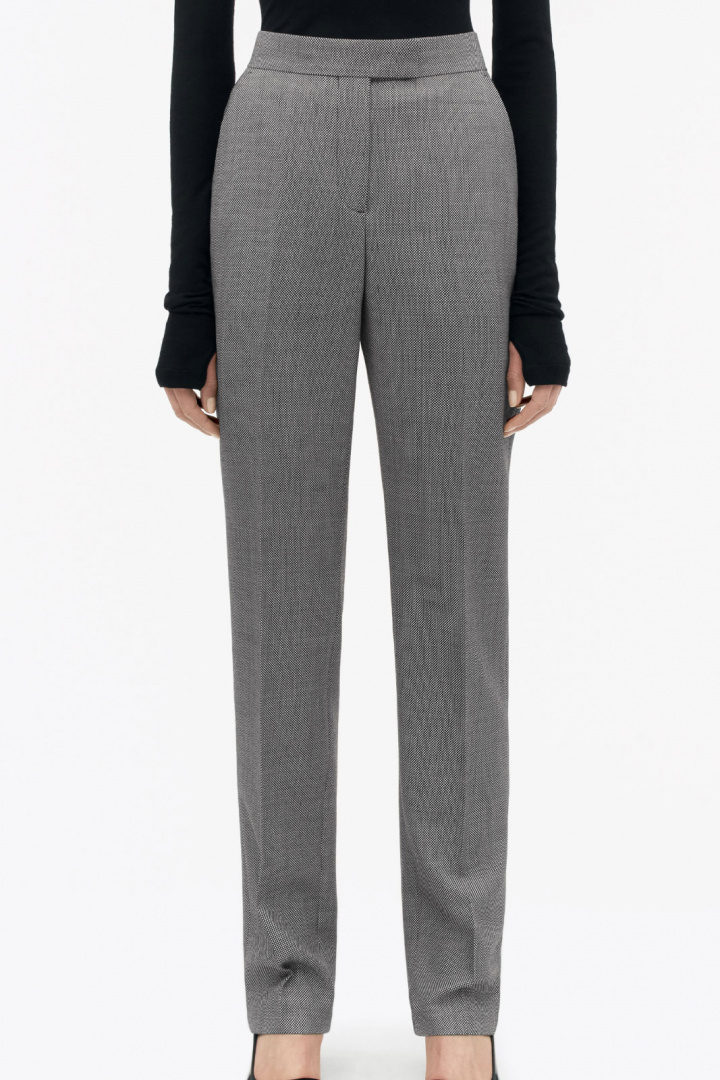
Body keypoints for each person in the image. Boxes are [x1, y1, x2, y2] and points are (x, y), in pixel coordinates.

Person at [156, 2, 570, 1078]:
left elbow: (526, 28)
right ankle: (285, 1002)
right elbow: (199, 25)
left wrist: (536, 298)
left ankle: (462, 1010)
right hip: (275, 137)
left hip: (454, 138)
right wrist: (190, 303)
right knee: (278, 601)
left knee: (456, 602)